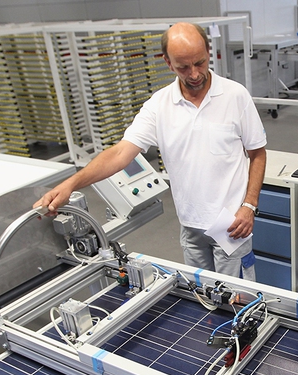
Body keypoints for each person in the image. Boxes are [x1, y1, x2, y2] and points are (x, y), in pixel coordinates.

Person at [34, 22, 267, 279]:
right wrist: (71, 184)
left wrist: (249, 206)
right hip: (190, 226)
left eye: (199, 63)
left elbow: (257, 154)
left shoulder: (235, 96)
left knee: (239, 301)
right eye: (183, 67)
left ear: (208, 52)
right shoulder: (159, 106)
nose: (194, 74)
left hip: (231, 224)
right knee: (202, 300)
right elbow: (120, 153)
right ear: (167, 62)